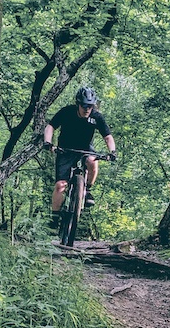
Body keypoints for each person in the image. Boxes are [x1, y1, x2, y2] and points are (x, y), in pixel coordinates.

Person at [43, 86, 116, 229]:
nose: (87, 109)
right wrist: (48, 142)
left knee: (92, 161)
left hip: (85, 148)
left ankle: (87, 189)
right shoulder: (66, 112)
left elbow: (108, 137)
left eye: (90, 106)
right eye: (84, 106)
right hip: (65, 149)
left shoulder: (96, 117)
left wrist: (112, 152)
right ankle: (54, 217)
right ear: (78, 104)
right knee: (60, 186)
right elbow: (50, 127)